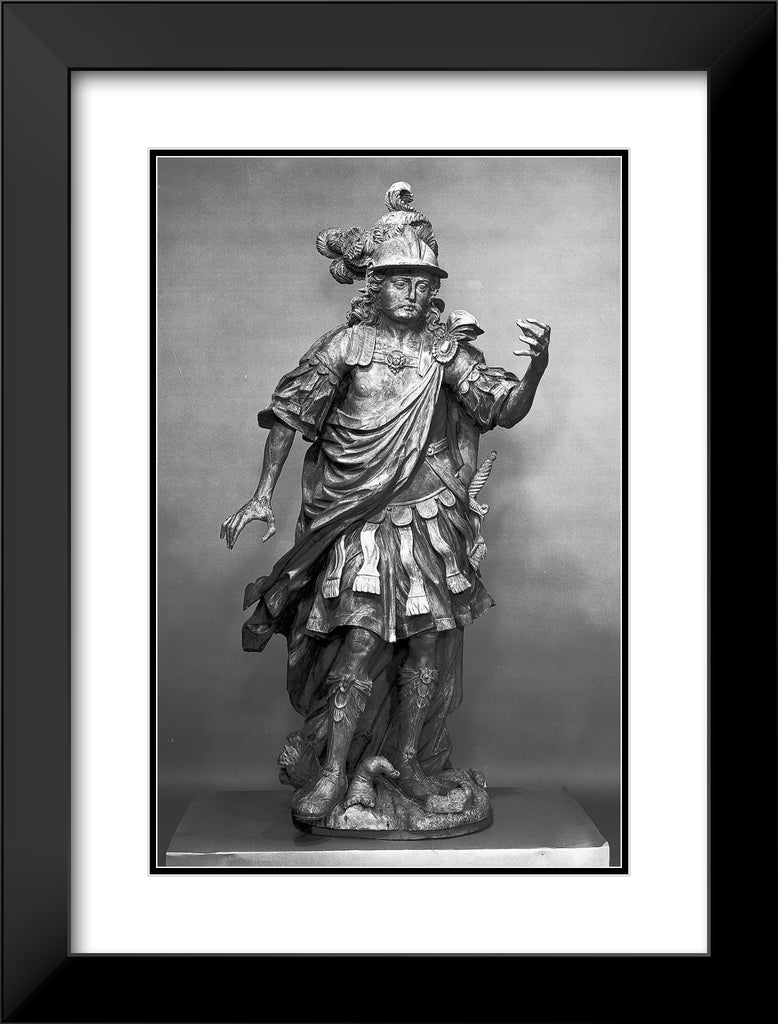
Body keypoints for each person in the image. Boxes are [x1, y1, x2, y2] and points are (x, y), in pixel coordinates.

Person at [221, 202, 550, 824]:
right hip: (360, 520)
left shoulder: (443, 352)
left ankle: (408, 761)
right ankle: (332, 771)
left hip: (426, 517)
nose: (413, 292)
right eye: (400, 280)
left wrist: (535, 370)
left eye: (423, 282)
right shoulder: (346, 346)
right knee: (360, 640)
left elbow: (498, 407)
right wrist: (262, 493)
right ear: (375, 285)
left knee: (427, 644)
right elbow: (291, 414)